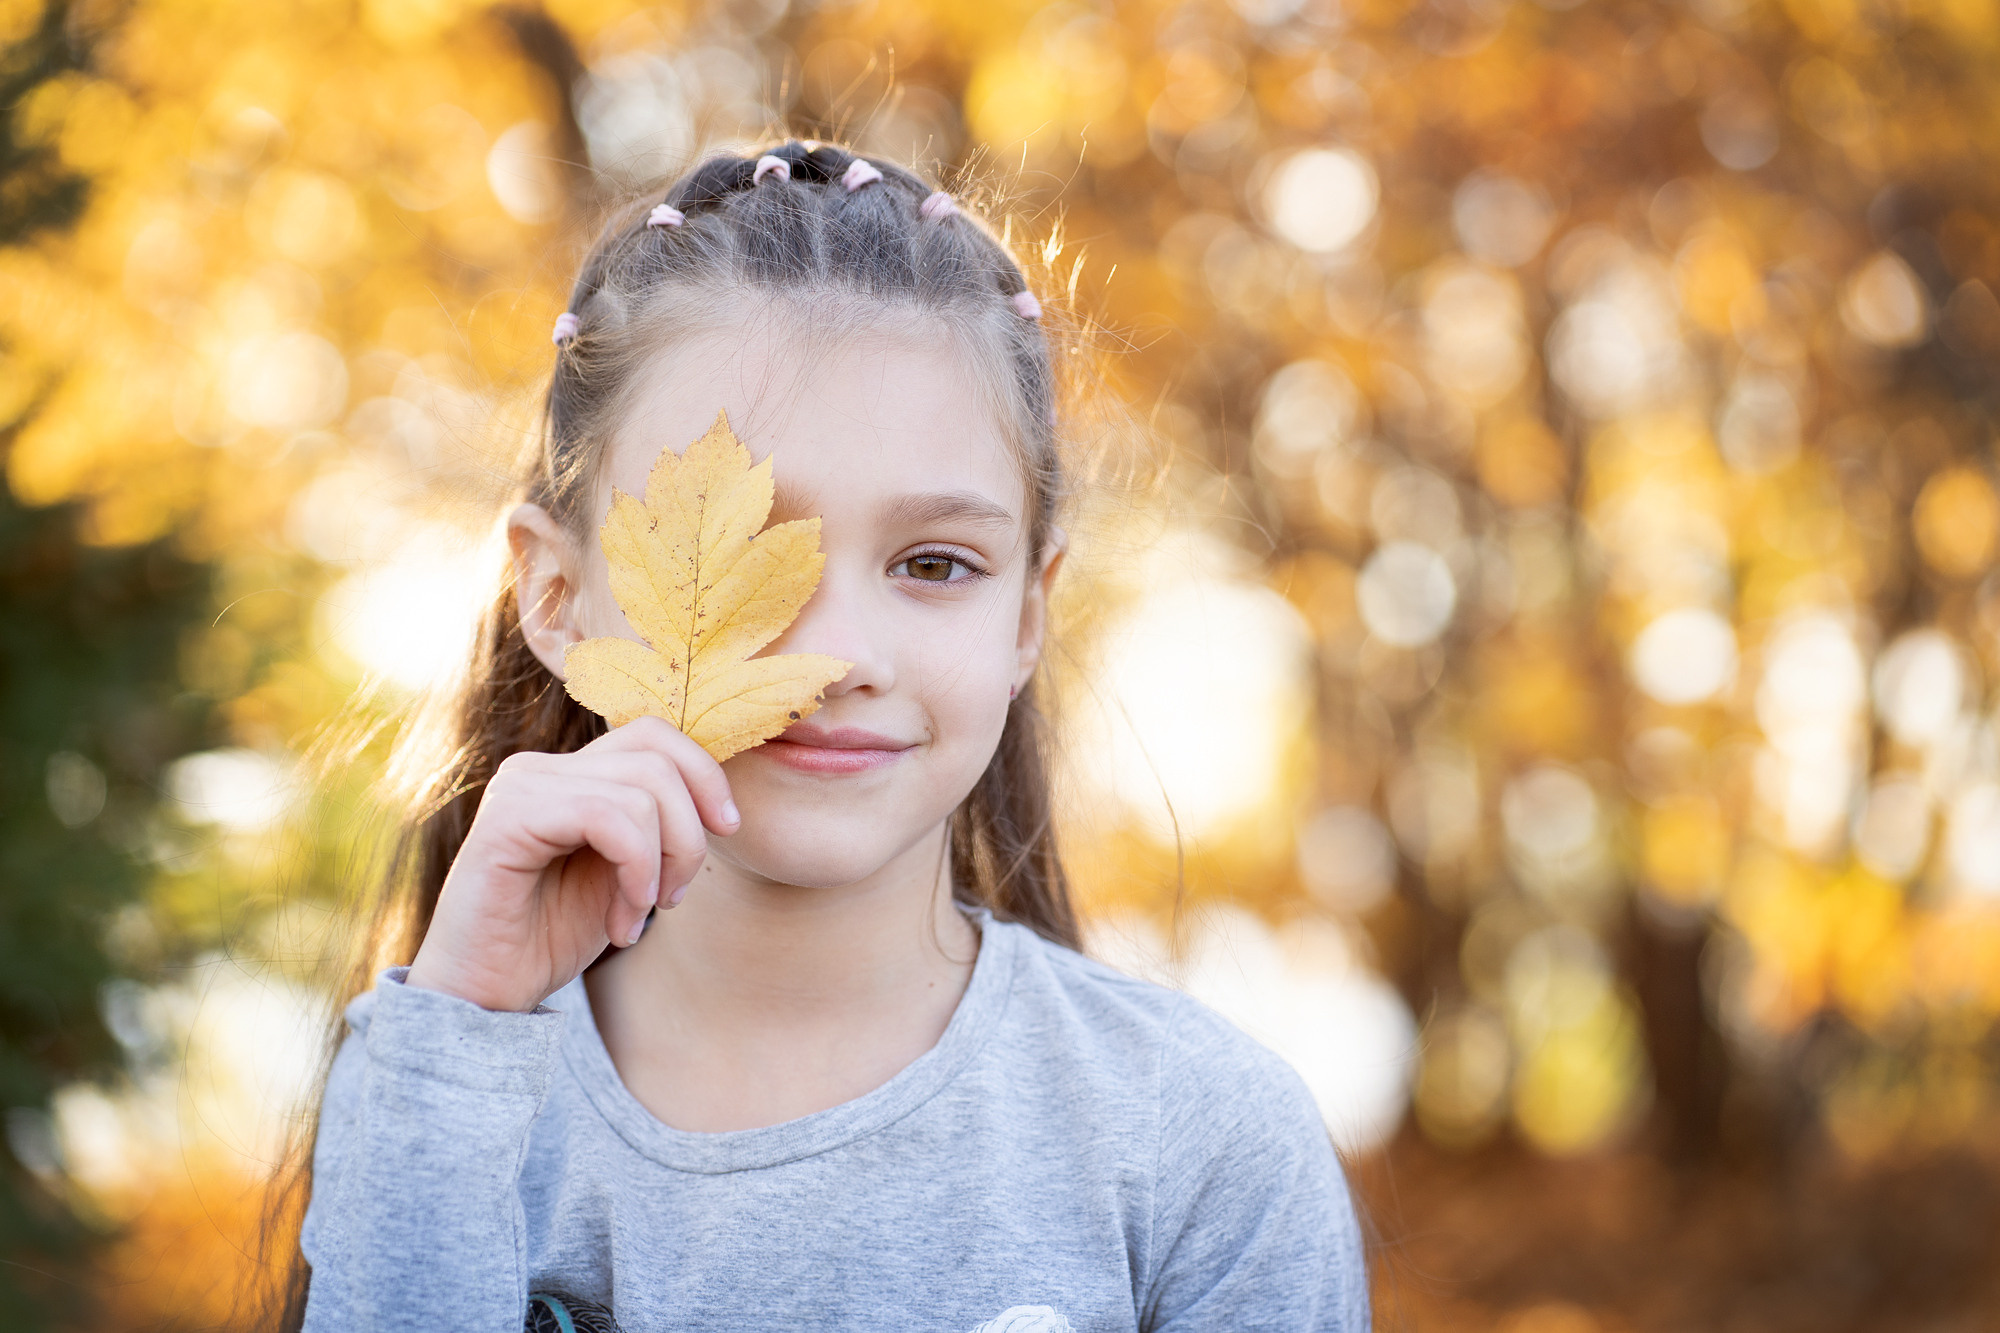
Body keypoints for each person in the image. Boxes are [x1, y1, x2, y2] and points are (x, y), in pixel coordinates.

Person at [287, 139, 1368, 1332]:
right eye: (754, 549)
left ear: (1026, 612)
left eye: (933, 564)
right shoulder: (436, 1105)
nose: (843, 649)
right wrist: (461, 1039)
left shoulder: (1197, 1142)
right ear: (555, 595)